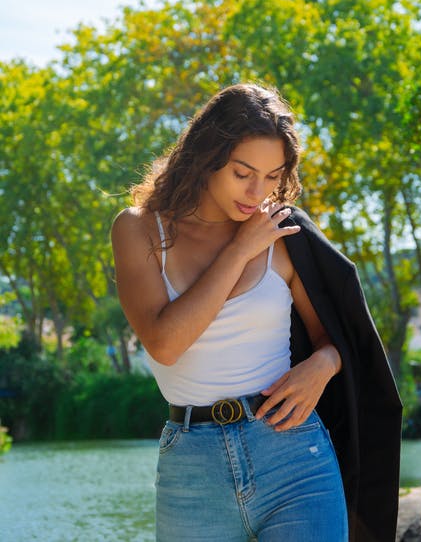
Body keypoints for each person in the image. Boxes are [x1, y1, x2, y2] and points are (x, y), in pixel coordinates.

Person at [111, 83, 402, 542]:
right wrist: (241, 248)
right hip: (192, 469)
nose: (257, 192)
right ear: (206, 158)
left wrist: (323, 365)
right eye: (243, 172)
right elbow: (165, 344)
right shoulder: (139, 228)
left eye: (272, 176)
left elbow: (337, 336)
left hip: (293, 455)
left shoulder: (285, 235)